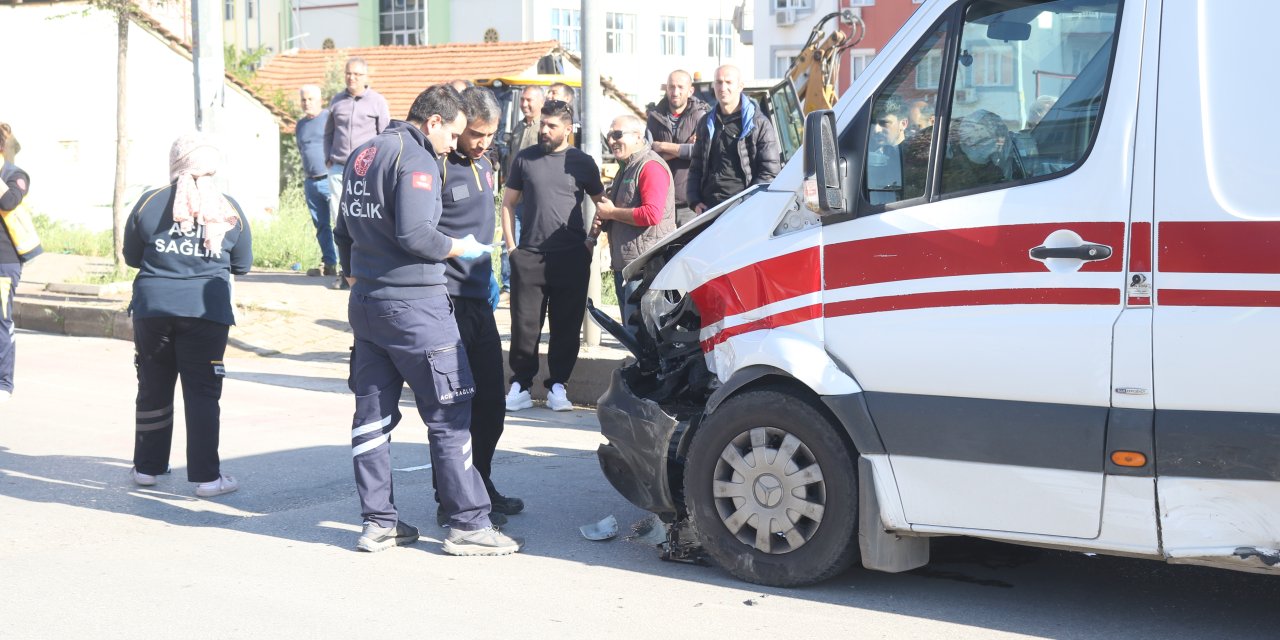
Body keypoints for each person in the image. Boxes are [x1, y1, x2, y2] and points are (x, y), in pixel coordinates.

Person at [333, 84, 520, 556]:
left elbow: (342, 230)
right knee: (450, 415)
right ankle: (467, 524)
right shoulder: (415, 158)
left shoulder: (364, 153)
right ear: (433, 121)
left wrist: (358, 277)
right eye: (452, 133)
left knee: (372, 419)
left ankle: (378, 522)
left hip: (368, 305)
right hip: (417, 307)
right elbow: (416, 233)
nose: (452, 144)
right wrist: (460, 247)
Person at [123, 132, 252, 497]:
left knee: (153, 386)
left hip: (153, 308)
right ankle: (207, 479)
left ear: (175, 162)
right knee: (202, 393)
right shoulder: (229, 208)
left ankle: (147, 468)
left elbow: (132, 256)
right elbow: (242, 264)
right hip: (205, 312)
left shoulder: (149, 202)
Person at [434, 86, 525, 523]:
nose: (482, 142)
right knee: (455, 407)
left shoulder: (487, 165)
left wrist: (490, 274)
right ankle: (450, 498)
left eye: (490, 134)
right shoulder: (438, 165)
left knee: (491, 403)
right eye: (475, 133)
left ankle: (481, 482)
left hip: (479, 297)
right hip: (446, 299)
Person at [501, 100, 603, 413]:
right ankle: (520, 385)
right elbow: (508, 203)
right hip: (529, 256)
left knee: (566, 327)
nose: (544, 130)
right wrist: (512, 249)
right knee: (525, 326)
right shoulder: (525, 158)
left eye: (551, 126)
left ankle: (558, 386)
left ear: (567, 130)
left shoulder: (582, 162)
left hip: (571, 256)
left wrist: (590, 241)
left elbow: (603, 205)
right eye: (543, 123)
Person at [594, 115, 675, 328]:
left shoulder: (650, 166)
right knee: (632, 337)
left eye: (617, 134)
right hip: (627, 267)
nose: (611, 140)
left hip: (644, 269)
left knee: (642, 337)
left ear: (638, 136)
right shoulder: (627, 167)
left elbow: (652, 214)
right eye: (609, 135)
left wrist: (612, 213)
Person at [324, 56, 390, 289]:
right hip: (338, 167)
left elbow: (385, 136)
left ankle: (366, 270)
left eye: (357, 74)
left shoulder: (377, 102)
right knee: (338, 218)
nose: (352, 78)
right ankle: (344, 272)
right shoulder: (337, 101)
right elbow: (328, 133)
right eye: (348, 73)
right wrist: (328, 158)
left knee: (363, 217)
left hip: (366, 169)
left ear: (366, 76)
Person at [687, 65, 781, 214]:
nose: (723, 88)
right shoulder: (705, 123)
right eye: (719, 82)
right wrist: (694, 200)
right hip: (709, 209)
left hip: (744, 210)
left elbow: (769, 171)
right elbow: (696, 166)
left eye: (728, 82)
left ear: (740, 86)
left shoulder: (758, 124)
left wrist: (747, 203)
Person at [646, 70, 711, 227]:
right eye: (671, 87)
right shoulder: (654, 117)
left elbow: (701, 152)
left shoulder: (701, 117)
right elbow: (648, 155)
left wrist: (663, 146)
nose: (675, 92)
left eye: (680, 87)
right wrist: (684, 149)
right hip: (660, 202)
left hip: (691, 203)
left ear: (690, 90)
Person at [500, 86, 545, 293]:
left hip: (536, 198)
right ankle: (509, 286)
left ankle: (532, 284)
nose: (524, 104)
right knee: (509, 240)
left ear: (541, 102)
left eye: (529, 100)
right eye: (522, 100)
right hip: (515, 196)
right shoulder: (518, 128)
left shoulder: (544, 129)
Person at [0, 122, 30, 404]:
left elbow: (9, 201)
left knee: (0, 320)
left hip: (4, 262)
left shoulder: (15, 175)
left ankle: (3, 383)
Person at [296, 85, 337, 278]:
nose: (307, 103)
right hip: (310, 182)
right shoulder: (300, 125)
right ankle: (329, 263)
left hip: (329, 178)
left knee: (340, 224)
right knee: (321, 226)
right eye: (303, 99)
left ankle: (346, 266)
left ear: (320, 100)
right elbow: (302, 149)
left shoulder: (329, 118)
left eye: (310, 99)